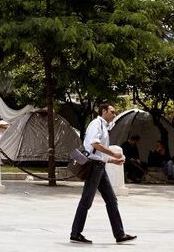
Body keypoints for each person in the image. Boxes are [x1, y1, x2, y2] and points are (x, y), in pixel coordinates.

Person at [70, 103, 136, 244]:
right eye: (112, 111)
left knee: (111, 200)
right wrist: (113, 153)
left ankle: (119, 234)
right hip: (94, 167)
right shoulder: (96, 124)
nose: (114, 114)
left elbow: (98, 152)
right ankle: (75, 233)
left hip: (100, 167)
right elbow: (94, 144)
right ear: (104, 111)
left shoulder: (104, 126)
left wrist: (112, 160)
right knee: (86, 200)